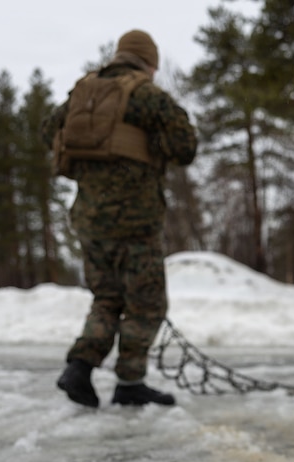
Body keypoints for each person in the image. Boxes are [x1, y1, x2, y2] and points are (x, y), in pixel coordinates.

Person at [43, 30, 197, 408]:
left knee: (106, 299)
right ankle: (129, 384)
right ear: (149, 63)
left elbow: (49, 131)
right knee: (146, 305)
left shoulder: (83, 91)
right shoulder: (145, 94)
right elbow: (185, 147)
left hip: (89, 220)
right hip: (136, 221)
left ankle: (79, 367)